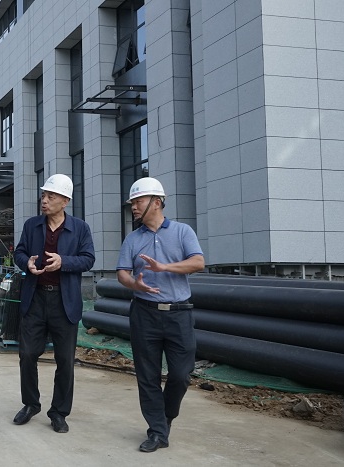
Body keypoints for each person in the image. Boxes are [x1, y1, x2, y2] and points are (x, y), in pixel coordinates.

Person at [116, 177, 205, 453]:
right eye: (132, 202)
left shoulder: (182, 231)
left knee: (181, 374)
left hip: (179, 313)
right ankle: (157, 431)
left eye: (138, 201)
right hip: (144, 313)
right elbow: (122, 273)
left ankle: (165, 416)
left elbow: (198, 262)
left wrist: (164, 267)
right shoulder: (133, 239)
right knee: (147, 376)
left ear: (156, 202)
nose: (133, 206)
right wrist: (135, 284)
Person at [12, 174, 95, 434]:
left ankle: (59, 412)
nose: (44, 200)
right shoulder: (32, 225)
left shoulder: (80, 228)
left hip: (64, 300)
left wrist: (64, 262)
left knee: (65, 360)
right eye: (43, 195)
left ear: (65, 201)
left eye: (50, 196)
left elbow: (88, 259)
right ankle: (31, 403)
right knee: (27, 354)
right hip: (35, 298)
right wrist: (26, 262)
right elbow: (19, 252)